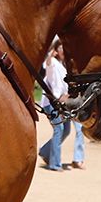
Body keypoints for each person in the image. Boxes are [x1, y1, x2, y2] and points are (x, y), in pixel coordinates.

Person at [38, 41, 70, 171]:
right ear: (56, 51)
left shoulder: (63, 66)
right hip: (51, 103)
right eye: (61, 48)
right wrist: (50, 55)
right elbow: (47, 64)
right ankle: (54, 163)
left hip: (61, 104)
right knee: (59, 129)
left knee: (66, 130)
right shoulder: (54, 64)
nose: (63, 50)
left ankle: (45, 152)